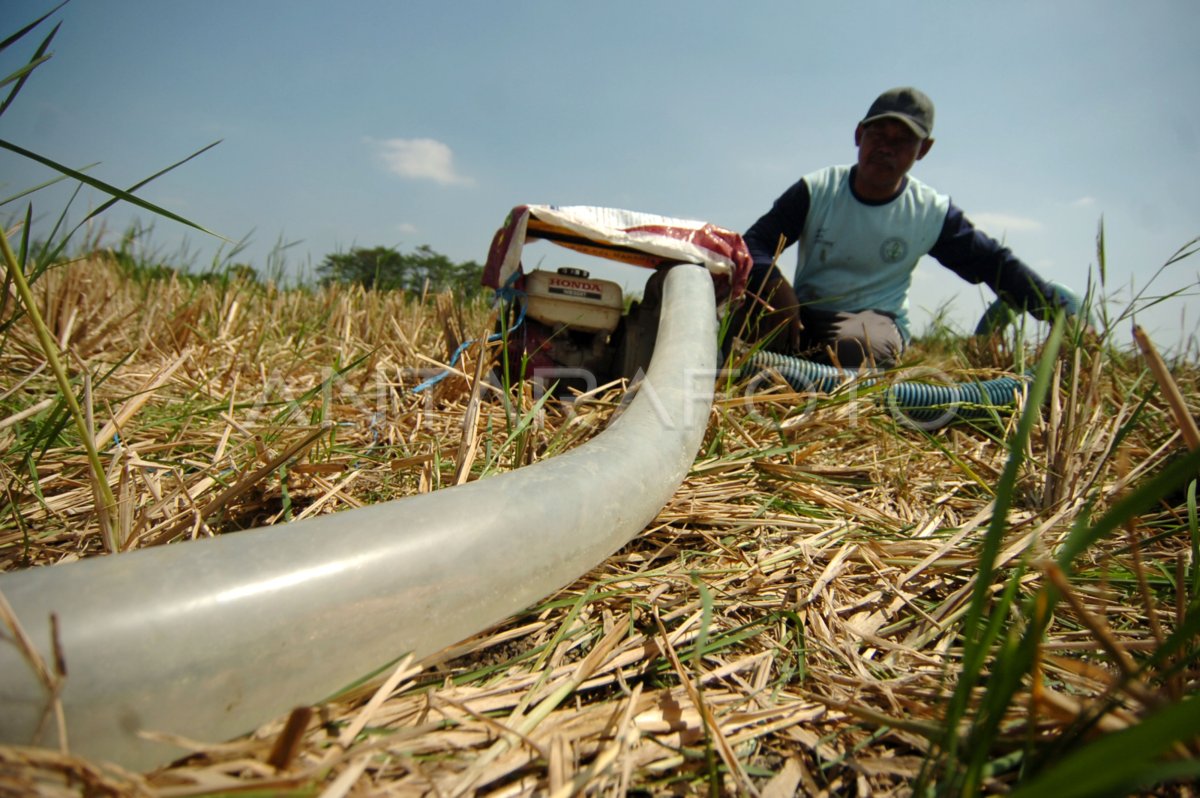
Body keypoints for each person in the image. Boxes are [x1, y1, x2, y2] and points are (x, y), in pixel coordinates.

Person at [735, 86, 1076, 369]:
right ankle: (768, 370)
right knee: (738, 317)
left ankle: (812, 378)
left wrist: (1060, 313)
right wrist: (778, 288)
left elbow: (994, 264)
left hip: (871, 323)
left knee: (859, 347)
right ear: (858, 134)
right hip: (804, 313)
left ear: (923, 150)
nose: (886, 148)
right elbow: (754, 244)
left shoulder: (929, 212)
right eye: (877, 134)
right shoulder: (818, 189)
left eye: (903, 141)